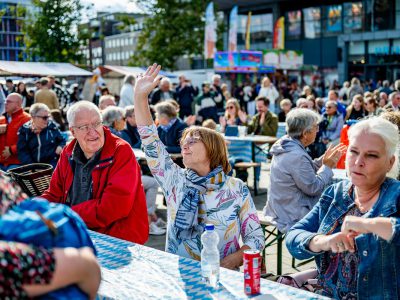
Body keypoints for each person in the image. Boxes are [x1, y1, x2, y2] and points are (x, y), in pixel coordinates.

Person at [135, 64, 264, 268]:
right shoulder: (174, 179)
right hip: (180, 276)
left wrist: (226, 264)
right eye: (184, 140)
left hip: (224, 277)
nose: (184, 144)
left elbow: (255, 238)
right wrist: (140, 98)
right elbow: (150, 139)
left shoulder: (236, 188)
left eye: (193, 140)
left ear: (212, 150)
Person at [286, 117, 400, 299]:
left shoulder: (396, 196)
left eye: (371, 155)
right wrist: (323, 241)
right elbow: (293, 236)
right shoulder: (335, 193)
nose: (358, 162)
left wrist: (369, 225)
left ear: (390, 162)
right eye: (353, 152)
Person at [41, 101, 149, 244]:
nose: (93, 132)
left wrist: (67, 214)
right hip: (78, 231)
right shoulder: (68, 152)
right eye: (84, 127)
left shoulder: (121, 151)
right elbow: (54, 193)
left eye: (96, 124)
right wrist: (35, 208)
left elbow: (113, 207)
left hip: (116, 239)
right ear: (73, 131)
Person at [0, 171, 101, 299]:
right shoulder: (68, 155)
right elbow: (54, 193)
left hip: (105, 233)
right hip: (70, 245)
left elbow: (113, 205)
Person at [264, 109, 345, 232]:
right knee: (340, 213)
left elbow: (303, 170)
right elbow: (313, 188)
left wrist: (323, 161)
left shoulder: (286, 144)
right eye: (315, 127)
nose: (317, 131)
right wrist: (327, 167)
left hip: (279, 207)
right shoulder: (296, 155)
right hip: (290, 214)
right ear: (305, 133)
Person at [17, 103, 65, 168]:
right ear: (33, 117)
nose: (47, 120)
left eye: (48, 117)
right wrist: (33, 168)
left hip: (52, 166)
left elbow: (62, 140)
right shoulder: (25, 130)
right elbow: (23, 152)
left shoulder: (51, 126)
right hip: (33, 168)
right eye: (44, 118)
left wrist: (61, 146)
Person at [0, 93, 31, 171]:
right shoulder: (2, 119)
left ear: (18, 104)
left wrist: (12, 150)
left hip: (17, 163)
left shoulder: (27, 119)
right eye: (5, 101)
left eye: (8, 102)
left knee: (10, 179)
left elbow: (30, 141)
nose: (5, 104)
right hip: (2, 162)